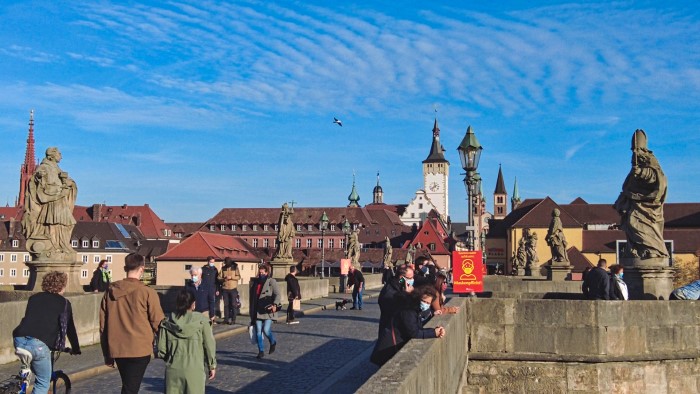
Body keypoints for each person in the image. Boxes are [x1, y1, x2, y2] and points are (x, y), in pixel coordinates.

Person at [100, 253, 165, 394]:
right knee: (131, 388)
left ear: (125, 268)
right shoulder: (147, 292)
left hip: (117, 347)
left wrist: (107, 353)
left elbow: (103, 325)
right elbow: (158, 322)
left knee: (129, 385)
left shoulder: (110, 292)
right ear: (142, 269)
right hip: (139, 348)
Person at [13, 271, 81, 394]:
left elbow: (34, 320)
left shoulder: (34, 298)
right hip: (38, 344)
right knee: (43, 380)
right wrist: (76, 348)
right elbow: (70, 328)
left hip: (19, 338)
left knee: (29, 367)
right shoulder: (64, 303)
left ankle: (23, 377)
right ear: (62, 285)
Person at [370, 285, 446, 366]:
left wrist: (434, 330)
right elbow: (414, 332)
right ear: (418, 298)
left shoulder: (414, 308)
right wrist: (433, 333)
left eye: (428, 303)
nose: (426, 304)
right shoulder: (408, 310)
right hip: (389, 349)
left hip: (394, 346)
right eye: (424, 301)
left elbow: (417, 325)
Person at [157, 289, 216, 394]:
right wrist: (211, 365)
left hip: (173, 369)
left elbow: (161, 350)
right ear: (193, 304)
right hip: (195, 369)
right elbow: (209, 345)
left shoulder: (167, 322)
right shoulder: (202, 321)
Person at [249, 264, 280, 359]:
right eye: (260, 272)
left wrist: (275, 304)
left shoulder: (271, 281)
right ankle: (261, 351)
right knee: (258, 331)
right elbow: (252, 297)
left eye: (262, 272)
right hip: (257, 309)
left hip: (268, 309)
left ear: (266, 272)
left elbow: (277, 294)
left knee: (266, 330)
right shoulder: (255, 282)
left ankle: (273, 341)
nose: (260, 274)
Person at [377, 266, 414, 334]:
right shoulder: (389, 290)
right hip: (391, 330)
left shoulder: (402, 286)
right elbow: (394, 309)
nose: (412, 280)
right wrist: (406, 295)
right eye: (410, 278)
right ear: (402, 278)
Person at [218, 258, 241, 325]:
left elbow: (239, 277)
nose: (226, 264)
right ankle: (226, 319)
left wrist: (231, 277)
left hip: (233, 288)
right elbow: (219, 277)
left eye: (227, 262)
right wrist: (223, 278)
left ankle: (233, 320)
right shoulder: (223, 268)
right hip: (225, 288)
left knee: (233, 304)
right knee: (226, 305)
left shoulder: (235, 267)